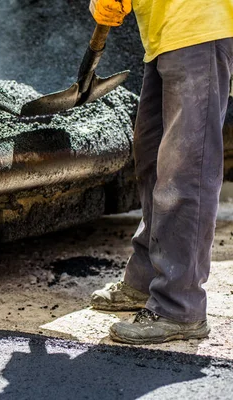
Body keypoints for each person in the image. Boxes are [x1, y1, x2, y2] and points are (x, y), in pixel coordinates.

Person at [88, 0, 233, 344]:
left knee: (185, 171)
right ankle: (146, 280)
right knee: (152, 160)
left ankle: (179, 307)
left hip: (199, 24)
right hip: (165, 34)